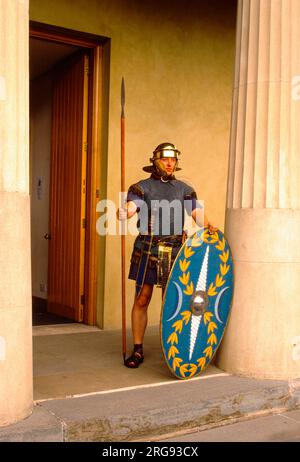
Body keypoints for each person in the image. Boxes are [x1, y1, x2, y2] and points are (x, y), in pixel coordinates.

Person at [117, 142, 214, 368]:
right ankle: (138, 349)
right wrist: (126, 211)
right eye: (165, 159)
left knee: (173, 301)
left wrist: (208, 224)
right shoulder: (142, 187)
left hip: (175, 249)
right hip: (148, 247)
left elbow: (196, 212)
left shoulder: (184, 188)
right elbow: (134, 205)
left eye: (173, 160)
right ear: (155, 162)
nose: (170, 163)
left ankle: (174, 347)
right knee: (142, 298)